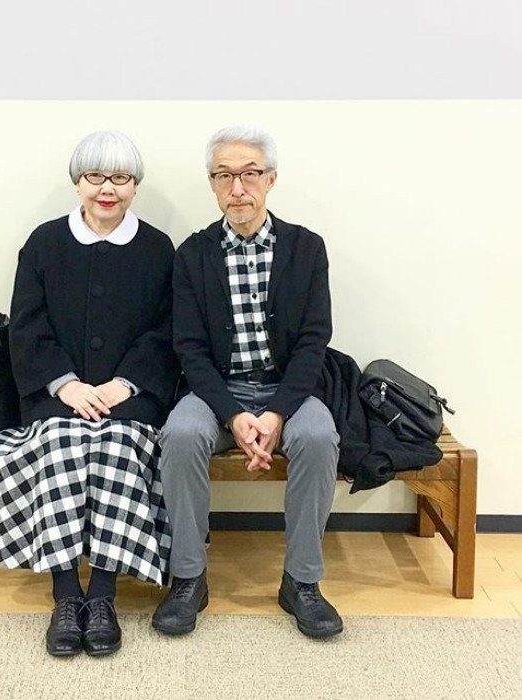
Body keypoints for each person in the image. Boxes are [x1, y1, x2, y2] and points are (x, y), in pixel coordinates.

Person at [0, 131, 178, 657]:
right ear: (77, 182)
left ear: (135, 186)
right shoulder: (45, 242)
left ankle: (105, 595)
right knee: (63, 448)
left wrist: (123, 385)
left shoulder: (158, 247)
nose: (107, 189)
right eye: (96, 177)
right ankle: (67, 595)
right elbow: (27, 325)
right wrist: (65, 384)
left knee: (115, 450)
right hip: (55, 394)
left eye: (120, 178)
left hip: (129, 397)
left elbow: (167, 331)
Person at [152, 125, 343, 639]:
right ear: (212, 185)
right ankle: (189, 576)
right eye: (225, 176)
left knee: (320, 437)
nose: (238, 187)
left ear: (271, 179)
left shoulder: (306, 248)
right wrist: (234, 415)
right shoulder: (192, 255)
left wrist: (277, 412)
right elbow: (188, 348)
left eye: (249, 174)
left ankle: (302, 582)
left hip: (290, 391)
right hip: (215, 392)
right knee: (182, 434)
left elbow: (313, 341)